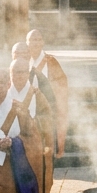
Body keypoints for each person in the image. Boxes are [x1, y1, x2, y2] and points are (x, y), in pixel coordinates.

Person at [7, 57, 54, 193]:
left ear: (28, 74)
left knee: (32, 191)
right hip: (10, 147)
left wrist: (36, 125)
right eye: (16, 72)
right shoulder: (4, 93)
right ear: (10, 73)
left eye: (23, 72)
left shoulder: (36, 93)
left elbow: (47, 116)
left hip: (33, 147)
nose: (19, 76)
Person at [27, 28, 69, 158]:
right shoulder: (22, 60)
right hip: (27, 106)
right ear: (27, 42)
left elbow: (62, 83)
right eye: (33, 40)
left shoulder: (50, 61)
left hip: (47, 107)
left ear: (43, 42)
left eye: (39, 39)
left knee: (47, 144)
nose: (36, 42)